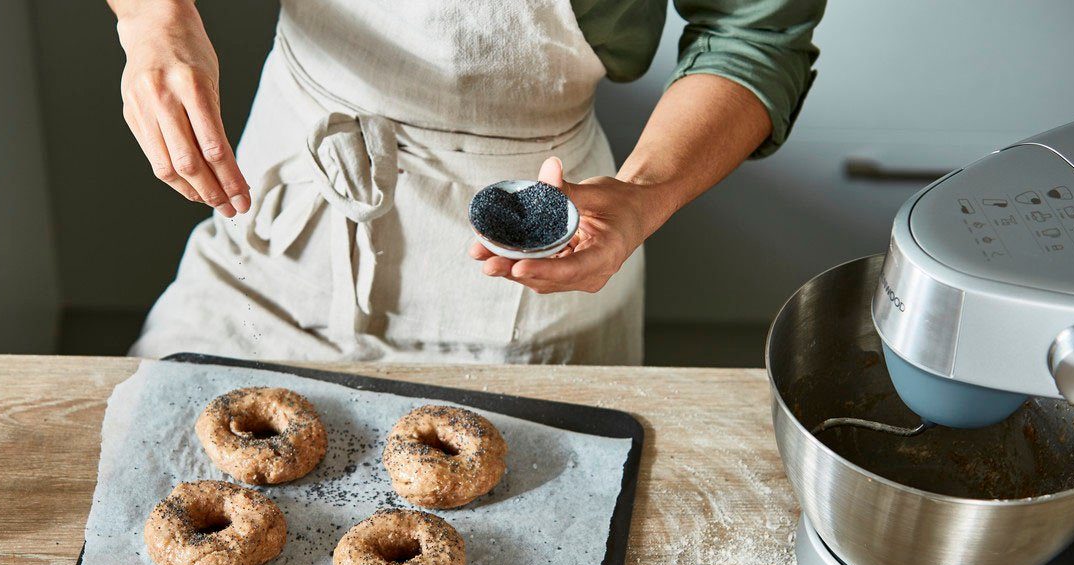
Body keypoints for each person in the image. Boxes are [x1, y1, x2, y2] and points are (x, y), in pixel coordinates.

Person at [113, 0, 823, 365]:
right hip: (280, 213)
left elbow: (752, 36)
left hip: (529, 276)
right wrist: (154, 20)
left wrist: (643, 194)